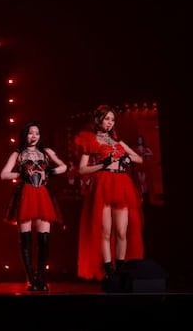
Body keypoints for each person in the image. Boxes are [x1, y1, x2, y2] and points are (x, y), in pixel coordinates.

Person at [75, 105, 144, 285]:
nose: (110, 122)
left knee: (121, 231)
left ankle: (120, 269)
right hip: (103, 184)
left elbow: (139, 158)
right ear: (98, 120)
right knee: (105, 232)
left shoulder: (118, 141)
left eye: (112, 119)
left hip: (121, 184)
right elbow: (82, 169)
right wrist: (103, 165)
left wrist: (127, 158)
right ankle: (109, 271)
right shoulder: (91, 140)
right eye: (107, 119)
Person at [0, 122, 67, 291]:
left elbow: (64, 167)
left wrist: (50, 172)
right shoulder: (18, 153)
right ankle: (30, 278)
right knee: (26, 240)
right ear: (25, 135)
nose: (34, 136)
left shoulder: (46, 152)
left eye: (37, 133)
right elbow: (3, 174)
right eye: (31, 133)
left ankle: (40, 277)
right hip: (26, 194)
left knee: (44, 240)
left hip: (43, 194)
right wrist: (20, 174)